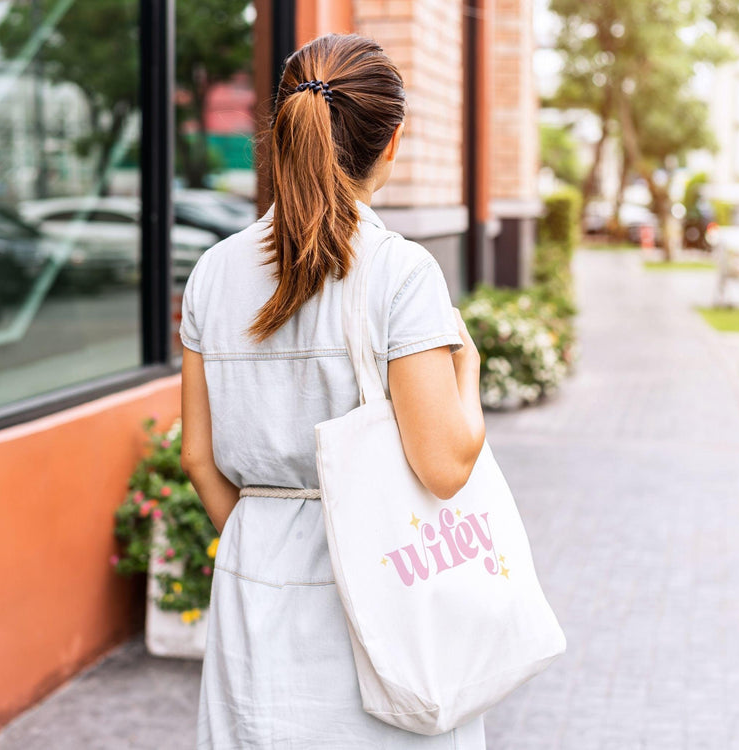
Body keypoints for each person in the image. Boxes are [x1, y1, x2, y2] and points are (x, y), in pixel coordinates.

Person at [180, 32, 487, 749]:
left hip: (253, 589)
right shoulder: (401, 275)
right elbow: (444, 465)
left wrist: (269, 540)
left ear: (285, 129)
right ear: (393, 141)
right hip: (386, 587)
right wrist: (467, 374)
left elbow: (199, 458)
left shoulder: (211, 273)